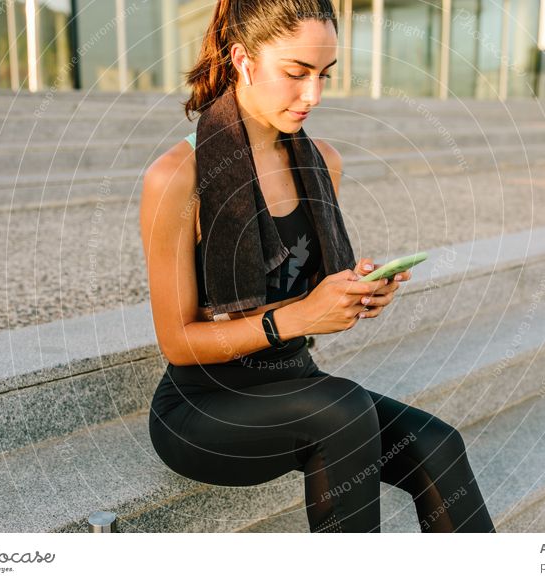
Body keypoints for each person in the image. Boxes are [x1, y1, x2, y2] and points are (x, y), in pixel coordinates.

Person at [140, 0, 495, 533]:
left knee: (437, 444)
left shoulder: (322, 160)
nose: (314, 95)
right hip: (205, 408)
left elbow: (305, 290)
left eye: (324, 74)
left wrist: (358, 291)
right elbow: (178, 342)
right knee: (344, 408)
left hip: (297, 384)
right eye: (295, 73)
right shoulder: (175, 177)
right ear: (243, 60)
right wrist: (302, 318)